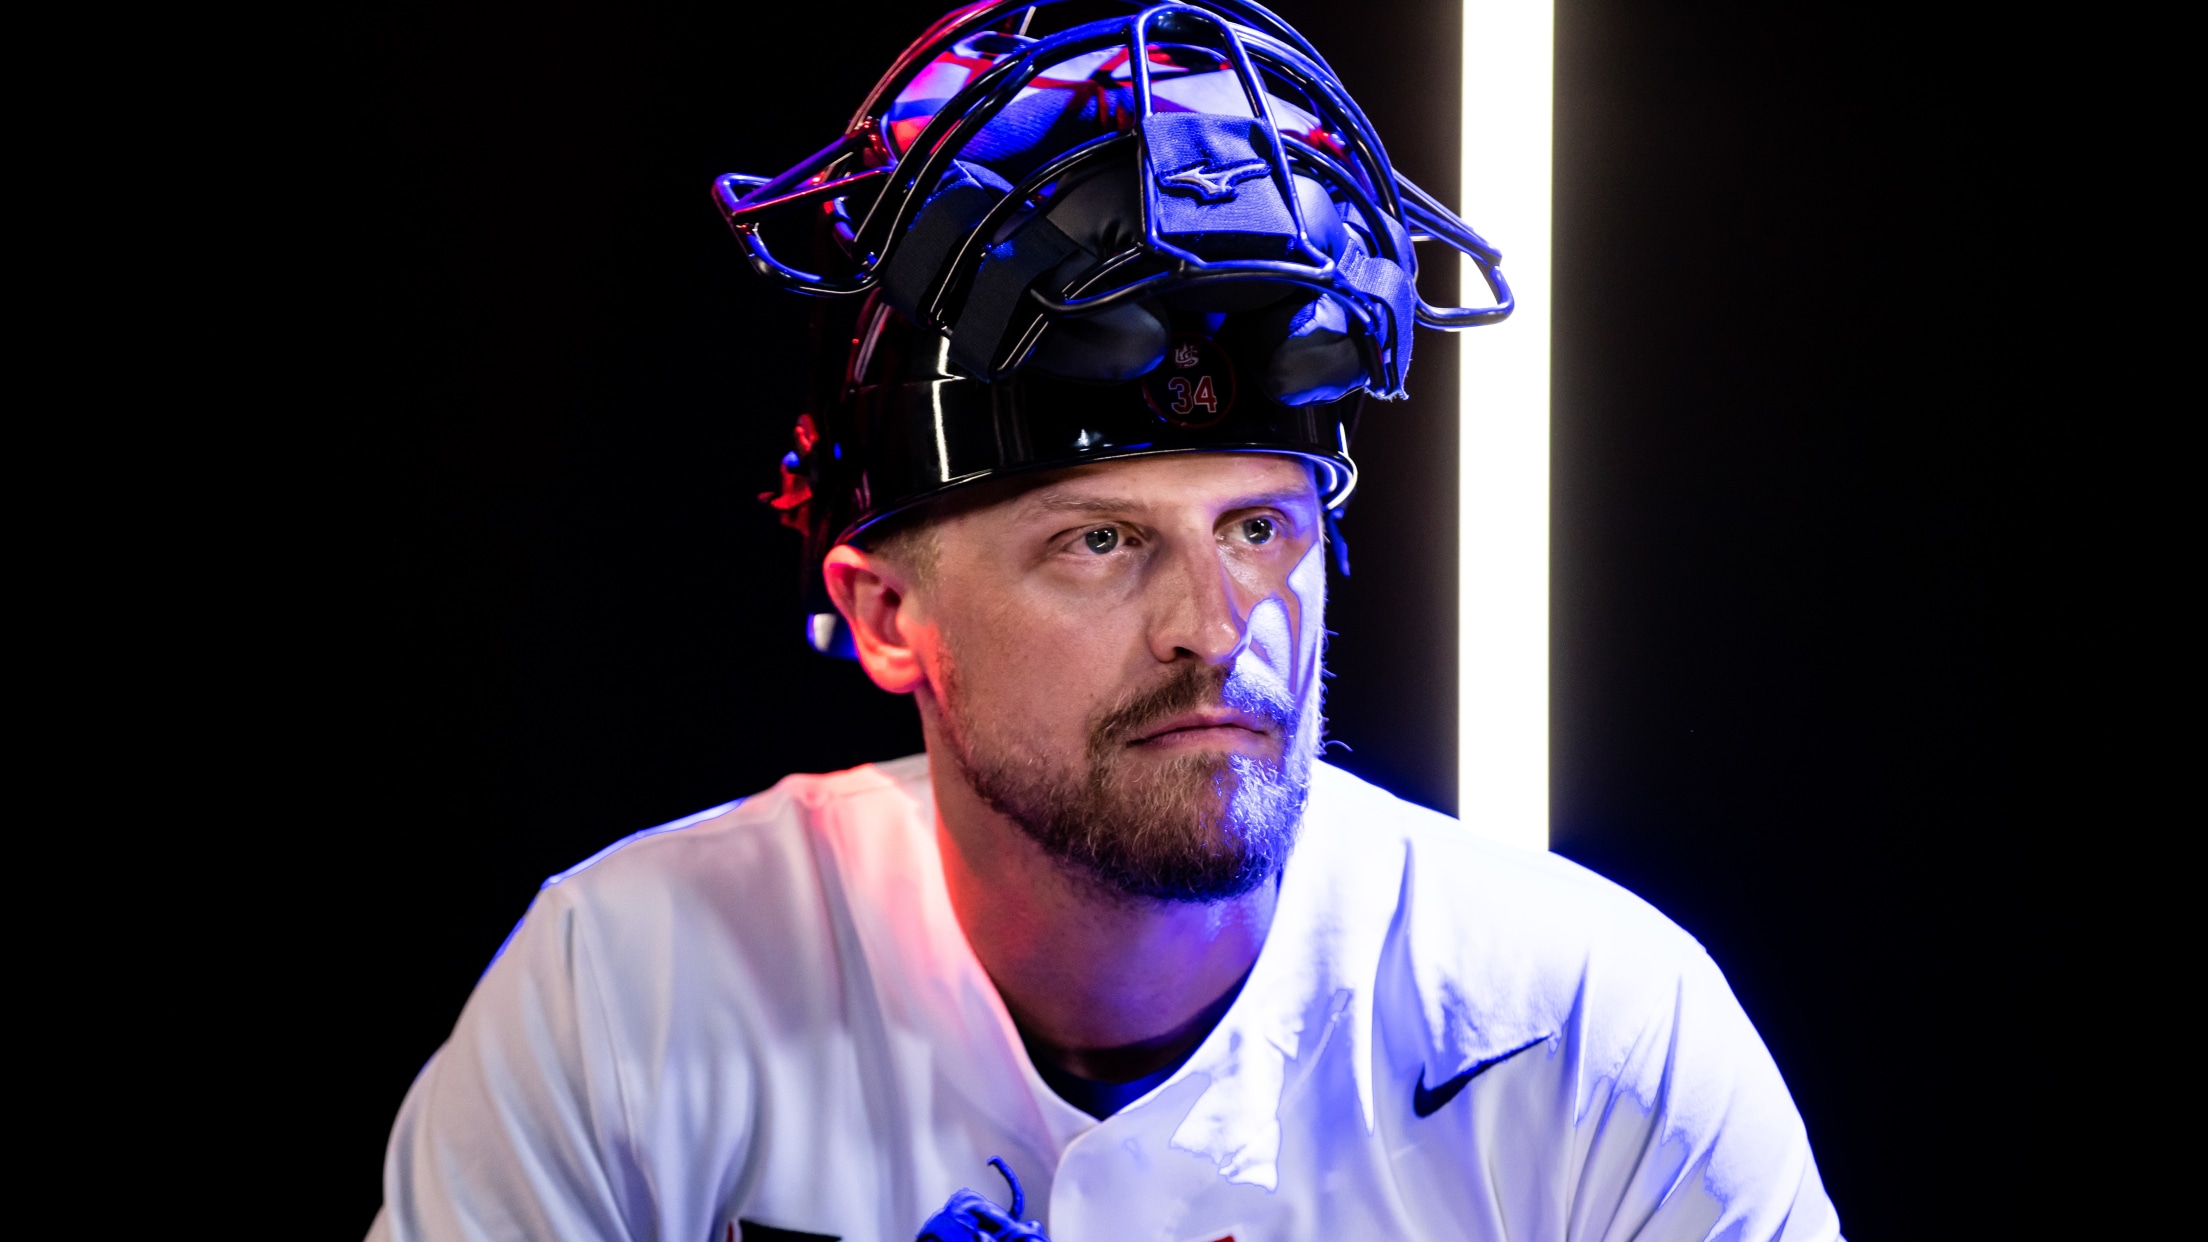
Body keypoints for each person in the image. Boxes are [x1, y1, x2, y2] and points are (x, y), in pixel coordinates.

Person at [370, 3, 1841, 1239]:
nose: (1219, 626)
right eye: (1101, 541)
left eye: (1259, 527)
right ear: (886, 614)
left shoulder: (1590, 1042)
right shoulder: (626, 998)